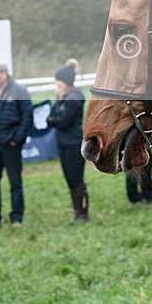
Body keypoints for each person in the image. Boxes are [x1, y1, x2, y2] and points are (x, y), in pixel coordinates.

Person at [0, 62, 33, 230]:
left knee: (15, 181)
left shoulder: (19, 91)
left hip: (10, 145)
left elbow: (27, 116)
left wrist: (16, 139)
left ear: (4, 74)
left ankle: (16, 217)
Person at [46, 59, 88, 222]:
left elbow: (63, 122)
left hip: (73, 143)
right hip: (63, 143)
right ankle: (77, 210)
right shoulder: (62, 97)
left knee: (77, 179)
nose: (56, 84)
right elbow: (52, 118)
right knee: (69, 179)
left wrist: (55, 120)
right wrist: (56, 119)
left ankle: (82, 212)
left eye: (58, 80)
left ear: (65, 81)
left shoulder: (74, 97)